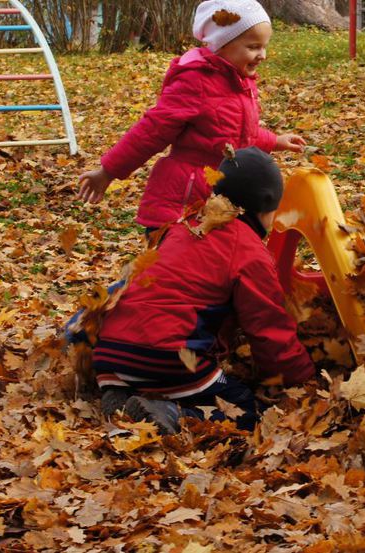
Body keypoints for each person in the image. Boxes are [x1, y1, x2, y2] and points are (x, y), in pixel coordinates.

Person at [90, 147, 315, 434]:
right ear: (267, 204)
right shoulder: (247, 249)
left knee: (147, 366)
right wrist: (302, 377)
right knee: (245, 407)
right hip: (168, 357)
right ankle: (174, 413)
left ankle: (121, 396)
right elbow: (267, 327)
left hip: (111, 351)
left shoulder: (184, 226)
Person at [77, 0, 306, 232]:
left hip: (221, 195)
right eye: (254, 47)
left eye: (264, 46)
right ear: (222, 44)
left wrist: (274, 141)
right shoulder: (195, 80)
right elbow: (151, 132)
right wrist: (108, 172)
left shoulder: (239, 81)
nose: (262, 55)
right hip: (184, 202)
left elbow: (236, 135)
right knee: (179, 262)